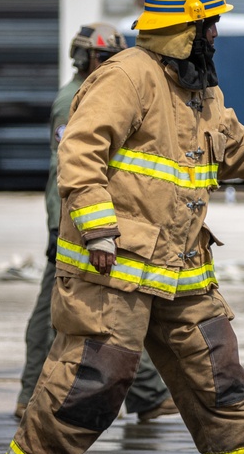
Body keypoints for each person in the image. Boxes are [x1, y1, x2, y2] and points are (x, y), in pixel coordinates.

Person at [0, 0, 244, 454]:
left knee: (215, 365)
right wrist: (98, 229)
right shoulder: (127, 76)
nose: (216, 34)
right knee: (97, 372)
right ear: (186, 26)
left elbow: (237, 151)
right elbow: (79, 151)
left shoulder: (201, 90)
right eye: (210, 24)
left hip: (180, 265)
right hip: (114, 265)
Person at [14, 23, 178, 425]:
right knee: (86, 315)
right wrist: (60, 227)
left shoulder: (104, 91)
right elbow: (66, 169)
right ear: (85, 58)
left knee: (117, 309)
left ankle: (148, 395)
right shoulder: (74, 99)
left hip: (93, 224)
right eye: (105, 59)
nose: (113, 65)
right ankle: (32, 394)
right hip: (77, 230)